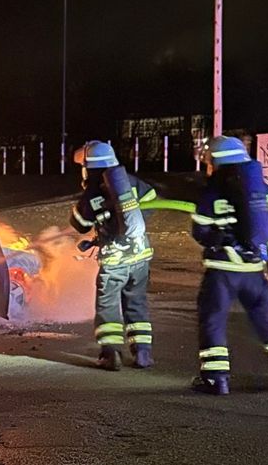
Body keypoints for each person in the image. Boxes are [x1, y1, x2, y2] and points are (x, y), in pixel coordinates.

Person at [190, 135, 268, 395]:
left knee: (213, 320)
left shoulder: (212, 192)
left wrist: (216, 236)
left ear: (216, 162)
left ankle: (216, 379)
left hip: (222, 272)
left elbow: (199, 230)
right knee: (266, 319)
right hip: (254, 272)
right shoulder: (260, 189)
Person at [70, 140, 156, 370]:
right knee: (136, 303)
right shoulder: (130, 182)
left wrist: (93, 204)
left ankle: (111, 354)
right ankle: (143, 353)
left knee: (108, 306)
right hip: (140, 258)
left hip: (114, 261)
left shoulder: (93, 192)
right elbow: (153, 200)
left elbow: (79, 223)